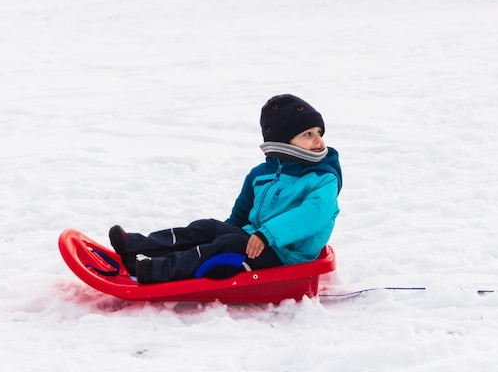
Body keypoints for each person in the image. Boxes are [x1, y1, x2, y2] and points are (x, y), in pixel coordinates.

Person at [109, 94, 342, 284]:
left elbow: (313, 215)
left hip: (286, 256)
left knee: (229, 246)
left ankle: (155, 271)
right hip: (255, 240)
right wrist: (220, 232)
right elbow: (240, 216)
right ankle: (137, 247)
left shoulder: (323, 178)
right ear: (282, 141)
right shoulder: (262, 174)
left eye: (319, 133)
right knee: (207, 228)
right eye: (308, 134)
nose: (319, 141)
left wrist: (265, 234)